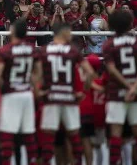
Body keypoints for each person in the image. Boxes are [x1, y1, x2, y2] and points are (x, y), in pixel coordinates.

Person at [36, 22, 95, 165]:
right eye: (69, 31)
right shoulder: (73, 51)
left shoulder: (44, 51)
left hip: (51, 97)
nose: (71, 35)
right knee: (74, 136)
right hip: (69, 97)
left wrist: (39, 91)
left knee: (48, 138)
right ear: (63, 32)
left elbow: (36, 75)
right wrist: (83, 90)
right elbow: (90, 72)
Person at [102, 9, 137, 165]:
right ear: (130, 24)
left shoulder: (108, 44)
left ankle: (116, 162)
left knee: (115, 132)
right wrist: (134, 86)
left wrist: (126, 86)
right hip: (135, 92)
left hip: (116, 92)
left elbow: (111, 69)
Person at [0, 19, 39, 164]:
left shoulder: (5, 50)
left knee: (7, 133)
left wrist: (4, 87)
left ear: (13, 31)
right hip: (26, 92)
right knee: (28, 133)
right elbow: (37, 74)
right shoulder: (32, 49)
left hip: (11, 92)